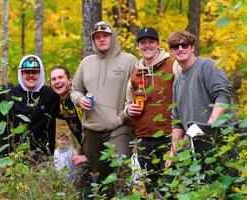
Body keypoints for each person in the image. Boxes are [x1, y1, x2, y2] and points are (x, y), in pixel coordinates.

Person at [71, 21, 138, 196]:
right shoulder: (86, 62)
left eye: (105, 36)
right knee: (102, 178)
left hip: (119, 126)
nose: (101, 39)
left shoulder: (129, 60)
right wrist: (80, 99)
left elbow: (139, 92)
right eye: (97, 37)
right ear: (93, 40)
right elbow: (75, 90)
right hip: (92, 129)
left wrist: (123, 116)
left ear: (112, 36)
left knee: (121, 169)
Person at [164, 31, 234, 169]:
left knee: (226, 187)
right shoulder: (177, 82)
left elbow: (223, 95)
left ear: (192, 47)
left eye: (184, 44)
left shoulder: (207, 65)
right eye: (175, 46)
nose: (180, 48)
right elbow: (177, 121)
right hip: (194, 146)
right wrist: (173, 153)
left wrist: (208, 127)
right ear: (171, 51)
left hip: (220, 140)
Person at [125, 27, 180, 192]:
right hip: (144, 139)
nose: (147, 46)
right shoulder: (135, 75)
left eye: (151, 42)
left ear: (158, 44)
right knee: (151, 187)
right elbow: (127, 103)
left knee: (172, 187)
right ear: (138, 46)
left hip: (170, 136)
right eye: (143, 43)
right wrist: (129, 110)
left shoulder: (173, 65)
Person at [50, 66, 91, 199]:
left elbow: (96, 129)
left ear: (70, 81)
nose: (57, 81)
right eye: (53, 79)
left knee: (80, 175)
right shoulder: (60, 103)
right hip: (85, 148)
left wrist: (88, 156)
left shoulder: (79, 99)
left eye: (61, 77)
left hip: (102, 148)